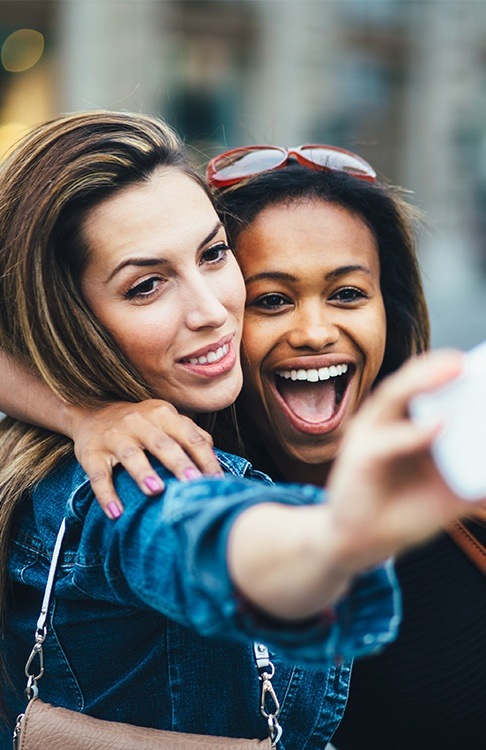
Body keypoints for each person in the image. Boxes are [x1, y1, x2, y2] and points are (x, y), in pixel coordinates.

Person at [0, 127, 481, 750]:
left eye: (213, 255)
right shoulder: (126, 479)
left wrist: (75, 409)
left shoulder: (456, 477)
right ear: (71, 318)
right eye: (145, 285)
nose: (211, 310)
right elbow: (197, 534)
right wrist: (339, 538)